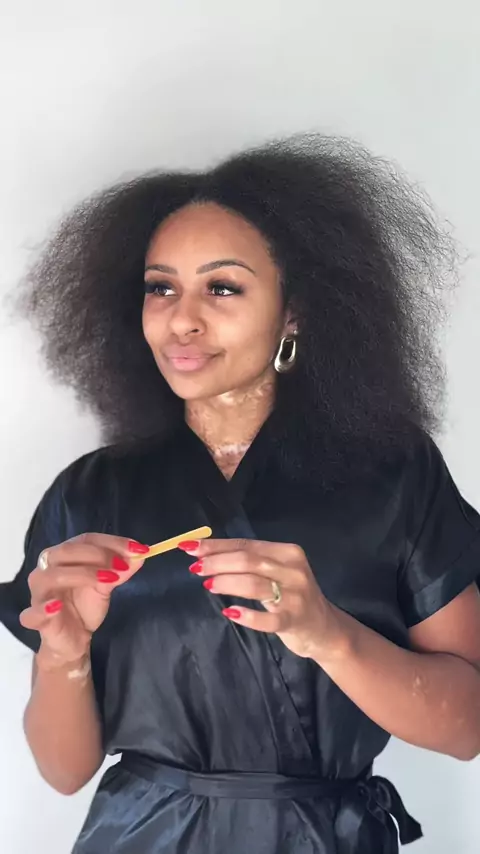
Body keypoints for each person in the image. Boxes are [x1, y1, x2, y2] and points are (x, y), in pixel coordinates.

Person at [1, 134, 480, 854]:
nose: (182, 319)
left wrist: (327, 633)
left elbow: (469, 728)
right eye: (160, 287)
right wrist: (62, 652)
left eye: (222, 288)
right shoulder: (91, 494)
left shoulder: (396, 475)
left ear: (295, 311)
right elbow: (63, 772)